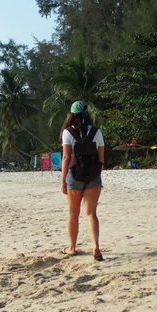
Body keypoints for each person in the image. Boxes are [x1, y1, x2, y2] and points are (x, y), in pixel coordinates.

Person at [60, 100, 105, 261]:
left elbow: (66, 158)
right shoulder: (97, 132)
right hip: (93, 176)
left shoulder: (68, 132)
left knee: (73, 213)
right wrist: (96, 177)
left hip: (75, 176)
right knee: (91, 213)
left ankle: (72, 248)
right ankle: (96, 246)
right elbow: (101, 160)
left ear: (72, 115)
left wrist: (63, 179)